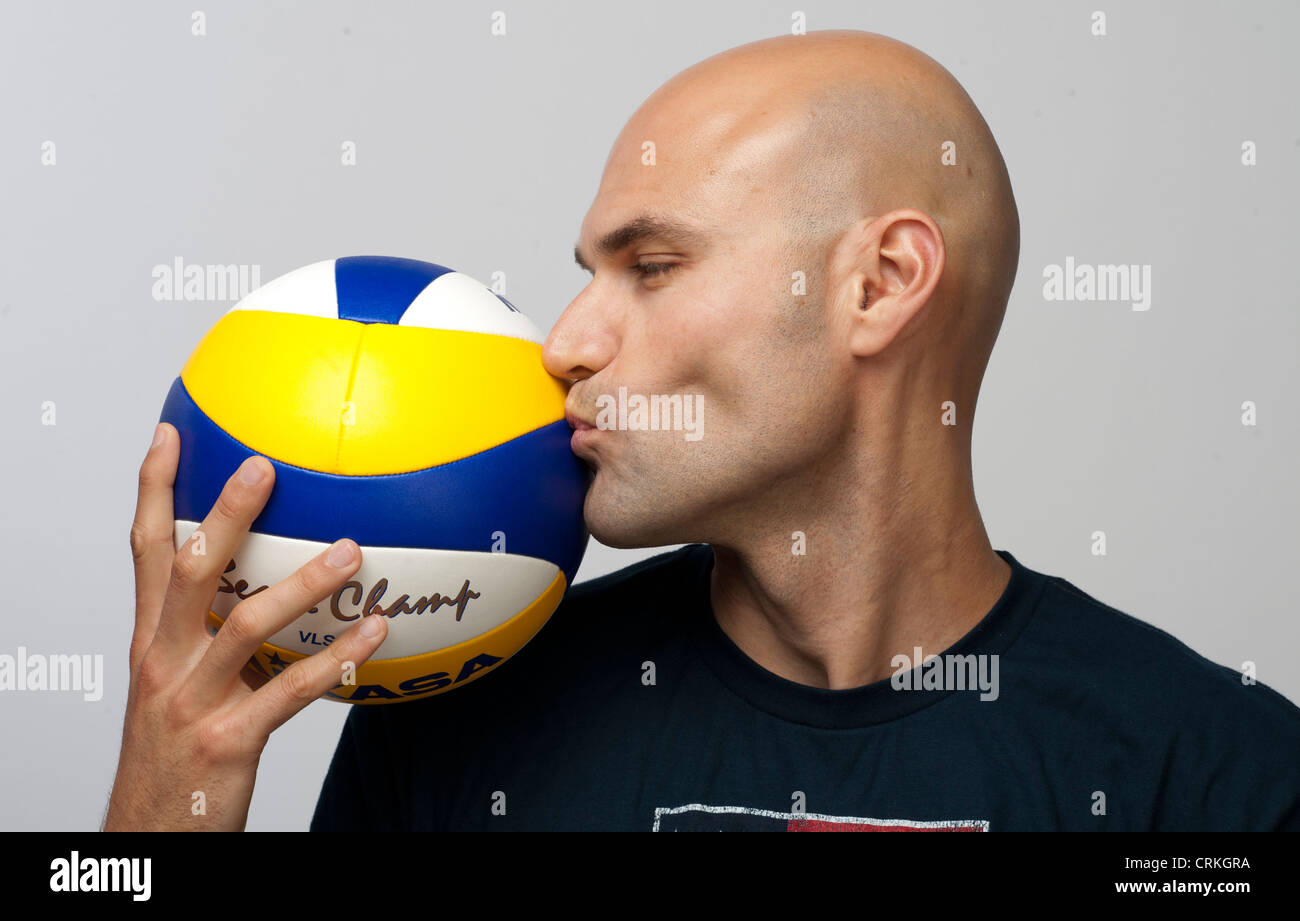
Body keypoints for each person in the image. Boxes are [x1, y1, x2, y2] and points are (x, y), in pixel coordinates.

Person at [107, 30, 1300, 832]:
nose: (564, 342)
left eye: (654, 265)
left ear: (879, 284)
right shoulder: (455, 710)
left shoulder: (1206, 779)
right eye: (589, 272)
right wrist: (166, 812)